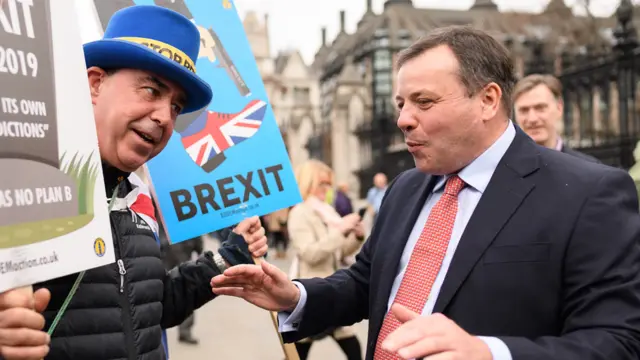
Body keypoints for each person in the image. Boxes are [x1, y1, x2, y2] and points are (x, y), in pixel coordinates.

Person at [211, 25, 640, 360]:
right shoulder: (407, 187)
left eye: (424, 101)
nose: (404, 120)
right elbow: (366, 283)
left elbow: (618, 343)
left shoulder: (589, 194)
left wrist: (489, 351)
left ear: (488, 100)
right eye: (400, 104)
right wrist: (298, 296)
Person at [0, 5, 269, 360]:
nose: (164, 116)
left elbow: (149, 308)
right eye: (150, 90)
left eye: (176, 105)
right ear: (95, 84)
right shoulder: (21, 184)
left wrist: (227, 257)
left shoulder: (138, 200)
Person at [286, 160, 365, 360]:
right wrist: (340, 232)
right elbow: (310, 254)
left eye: (329, 183)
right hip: (311, 292)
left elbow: (337, 252)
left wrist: (355, 236)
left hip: (332, 289)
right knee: (297, 353)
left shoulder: (327, 211)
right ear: (309, 183)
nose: (327, 189)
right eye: (322, 183)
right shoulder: (299, 213)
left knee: (353, 348)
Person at [513, 74, 599, 162]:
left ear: (559, 108)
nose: (532, 119)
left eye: (540, 108)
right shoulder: (502, 169)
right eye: (524, 110)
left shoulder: (587, 168)